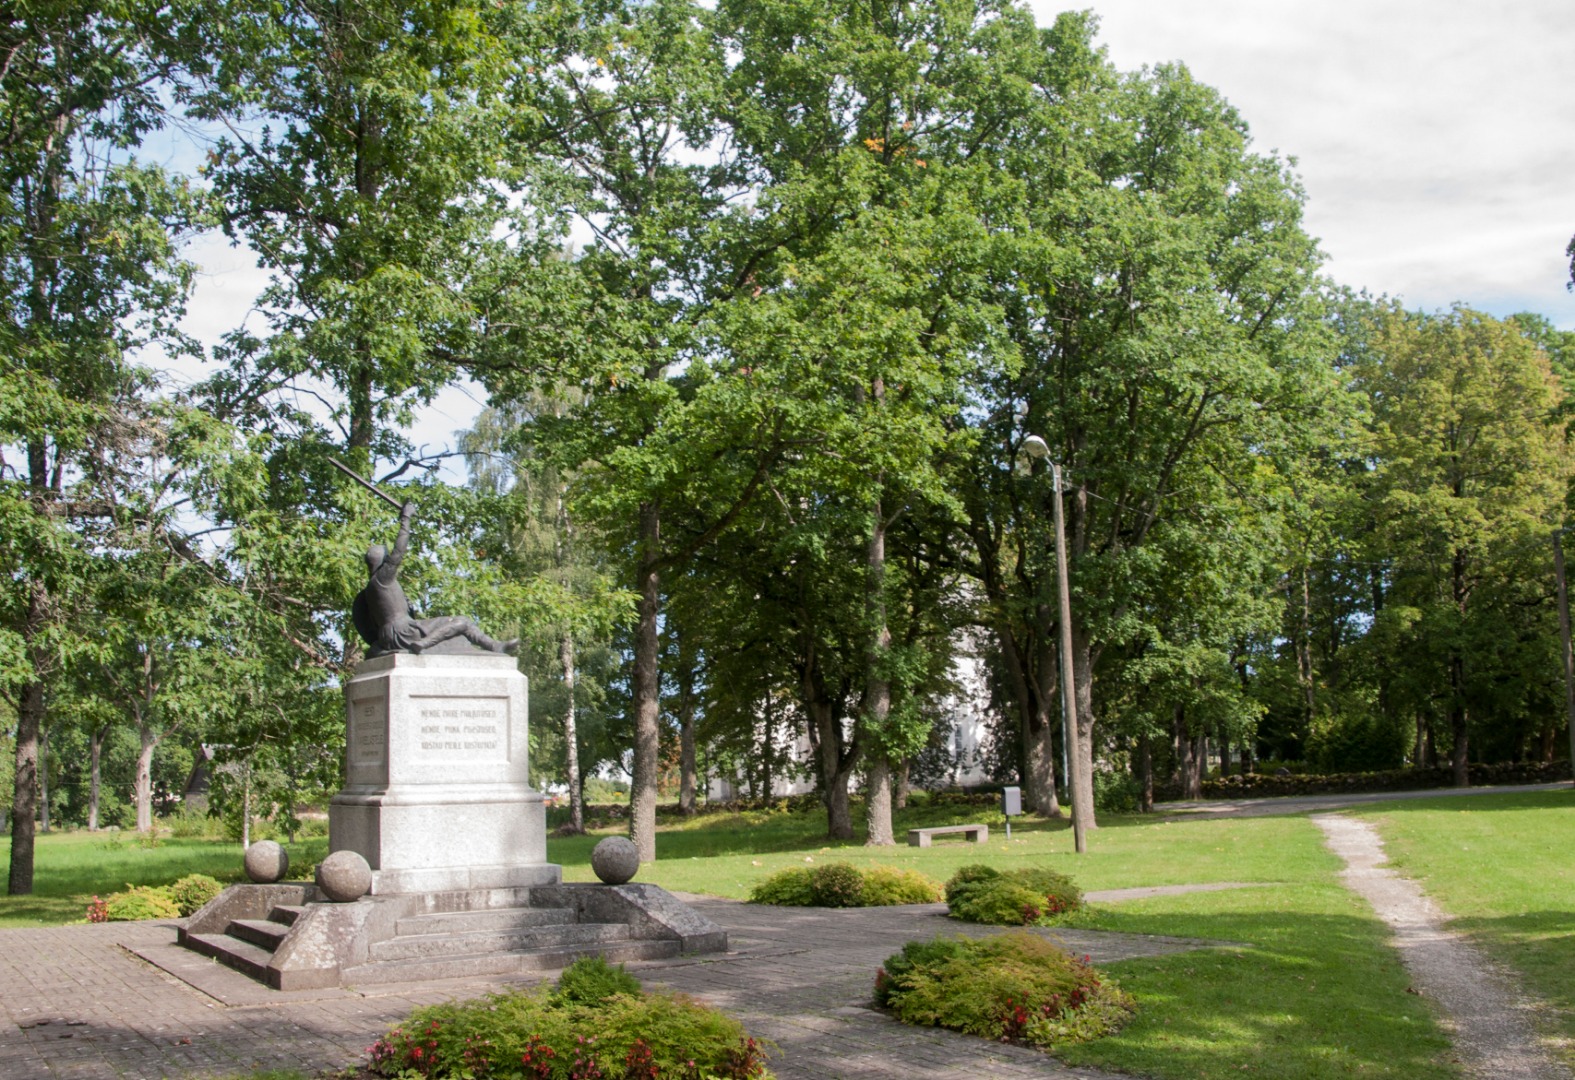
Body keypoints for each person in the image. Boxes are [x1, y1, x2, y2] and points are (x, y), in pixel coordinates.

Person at [352, 501, 518, 656]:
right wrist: (406, 517)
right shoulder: (382, 579)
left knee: (454, 627)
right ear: (382, 561)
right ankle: (427, 644)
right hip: (404, 631)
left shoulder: (371, 589)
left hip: (390, 635)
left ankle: (427, 643)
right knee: (462, 622)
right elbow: (399, 550)